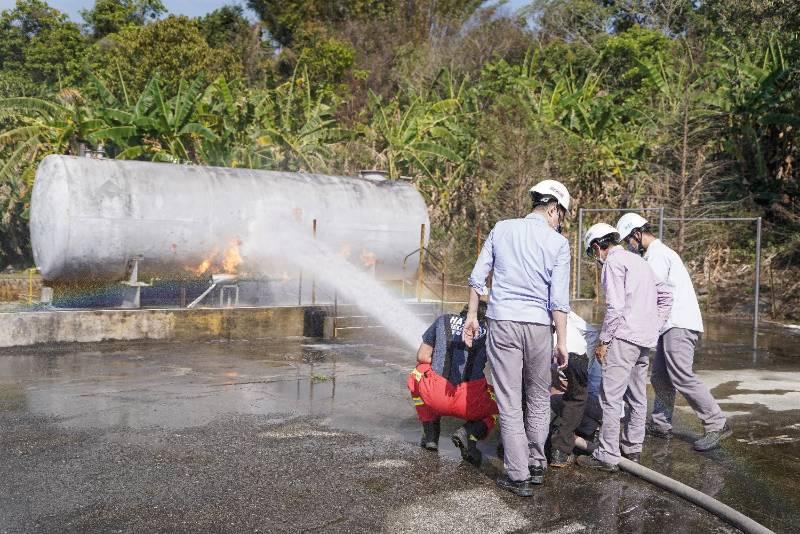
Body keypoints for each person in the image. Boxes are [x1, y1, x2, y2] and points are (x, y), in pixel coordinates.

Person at [464, 179, 572, 497]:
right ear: (552, 209)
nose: (559, 222)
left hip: (503, 322)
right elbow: (559, 300)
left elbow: (477, 276)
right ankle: (536, 464)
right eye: (560, 215)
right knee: (538, 397)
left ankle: (518, 475)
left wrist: (472, 316)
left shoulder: (501, 229)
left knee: (510, 401)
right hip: (539, 326)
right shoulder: (558, 244)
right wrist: (562, 341)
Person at [616, 213, 732, 451]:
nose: (629, 245)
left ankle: (716, 423)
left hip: (678, 323)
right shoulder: (655, 255)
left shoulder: (657, 256)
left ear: (637, 234)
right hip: (668, 326)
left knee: (680, 374)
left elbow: (651, 294)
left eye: (629, 239)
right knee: (660, 376)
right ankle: (660, 423)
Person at [576, 223, 672, 472]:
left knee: (611, 397)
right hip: (643, 340)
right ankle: (632, 449)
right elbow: (666, 296)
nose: (595, 257)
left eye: (592, 252)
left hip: (623, 338)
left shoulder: (613, 263)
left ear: (597, 246)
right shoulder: (640, 261)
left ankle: (607, 455)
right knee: (637, 396)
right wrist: (654, 325)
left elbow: (616, 307)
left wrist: (604, 341)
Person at [407, 301, 498, 466]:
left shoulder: (443, 320)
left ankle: (431, 436)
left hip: (436, 395)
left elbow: (422, 356)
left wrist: (439, 363)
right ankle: (469, 433)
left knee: (417, 374)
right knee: (501, 406)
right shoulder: (492, 332)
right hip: (469, 402)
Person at [548, 311, 601, 466]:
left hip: (573, 355)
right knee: (561, 398)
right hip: (573, 354)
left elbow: (592, 334)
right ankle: (564, 440)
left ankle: (590, 431)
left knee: (563, 399)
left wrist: (562, 374)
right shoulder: (561, 308)